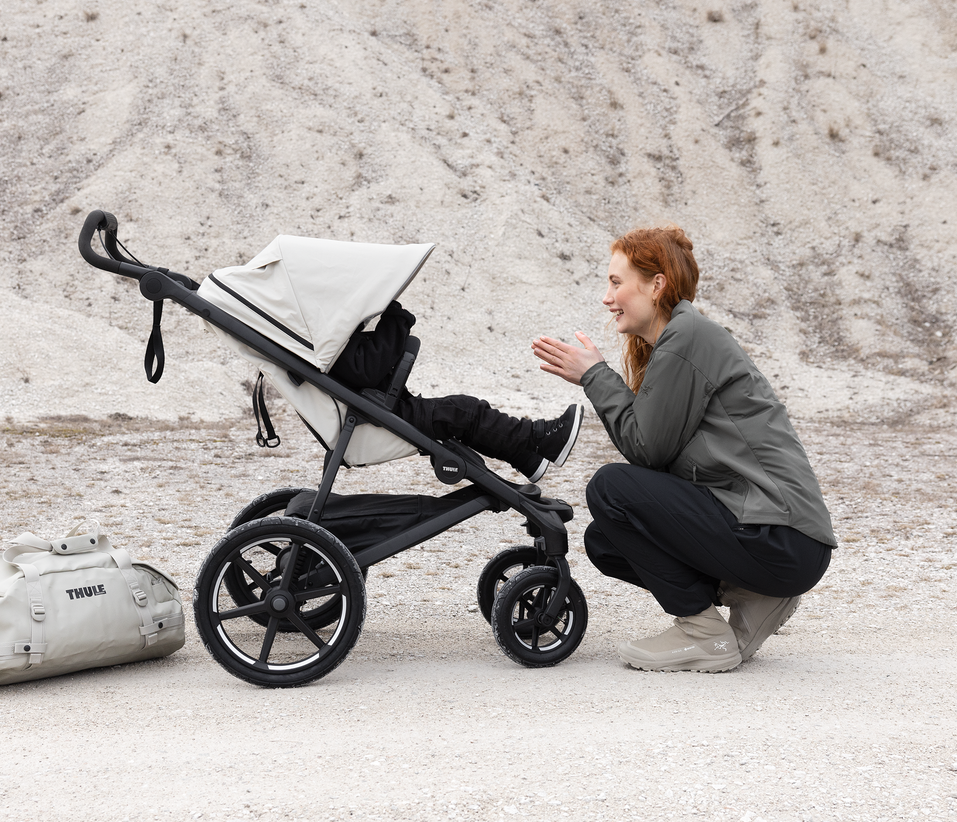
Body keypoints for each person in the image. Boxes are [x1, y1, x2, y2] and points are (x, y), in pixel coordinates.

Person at [531, 224, 836, 672]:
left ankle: (704, 634)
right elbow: (666, 463)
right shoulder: (679, 341)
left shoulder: (688, 337)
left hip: (782, 536)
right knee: (607, 540)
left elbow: (646, 449)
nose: (606, 297)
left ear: (656, 286)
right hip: (780, 541)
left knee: (610, 488)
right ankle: (756, 596)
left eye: (616, 282)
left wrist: (594, 374)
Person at [329, 299, 583, 482]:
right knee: (464, 411)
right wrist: (394, 315)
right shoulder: (327, 341)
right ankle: (538, 439)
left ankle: (526, 457)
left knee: (461, 413)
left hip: (371, 411)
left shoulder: (320, 340)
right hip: (372, 417)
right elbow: (368, 369)